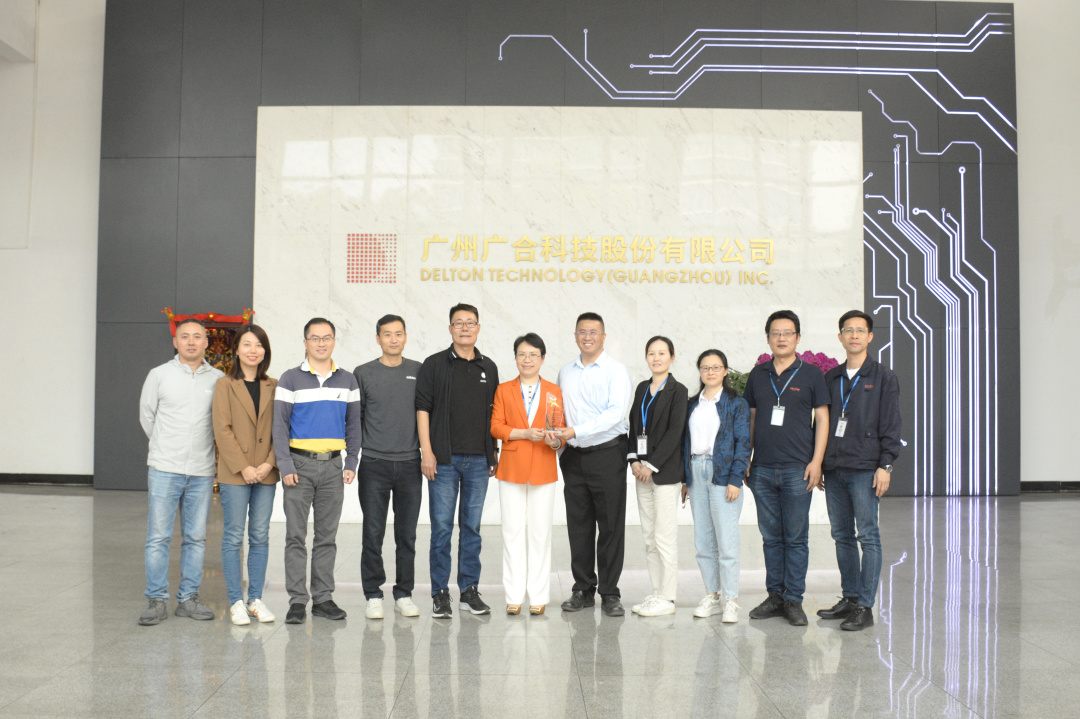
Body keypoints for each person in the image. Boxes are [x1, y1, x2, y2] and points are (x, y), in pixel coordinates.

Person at [743, 310, 830, 626]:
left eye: (788, 333)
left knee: (795, 538)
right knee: (771, 538)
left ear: (798, 338)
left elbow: (823, 419)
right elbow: (752, 418)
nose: (782, 338)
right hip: (762, 470)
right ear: (768, 338)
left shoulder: (811, 375)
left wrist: (817, 462)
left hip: (798, 469)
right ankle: (775, 596)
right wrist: (746, 457)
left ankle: (793, 599)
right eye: (776, 333)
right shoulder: (758, 374)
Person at [273, 317, 361, 624]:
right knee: (295, 536)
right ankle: (297, 600)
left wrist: (351, 462)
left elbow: (354, 425)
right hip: (298, 466)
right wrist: (285, 464)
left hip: (334, 467)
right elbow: (279, 426)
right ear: (305, 342)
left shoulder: (348, 380)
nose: (321, 343)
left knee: (326, 537)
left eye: (326, 338)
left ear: (334, 341)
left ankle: (323, 598)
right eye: (315, 338)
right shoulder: (289, 379)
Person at [818, 310, 902, 631]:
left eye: (860, 330)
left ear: (870, 337)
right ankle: (850, 598)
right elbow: (822, 424)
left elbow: (891, 425)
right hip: (834, 468)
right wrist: (820, 462)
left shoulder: (883, 377)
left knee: (868, 536)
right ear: (840, 336)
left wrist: (885, 465)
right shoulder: (831, 378)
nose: (854, 335)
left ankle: (865, 606)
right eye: (848, 330)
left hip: (866, 468)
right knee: (841, 536)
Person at [137, 319, 224, 626]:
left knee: (196, 538)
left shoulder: (218, 379)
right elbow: (147, 417)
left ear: (206, 343)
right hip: (164, 469)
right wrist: (165, 447)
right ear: (175, 342)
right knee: (158, 537)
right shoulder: (159, 375)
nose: (190, 342)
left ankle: (188, 598)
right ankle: (156, 599)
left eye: (197, 337)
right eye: (184, 336)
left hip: (201, 471)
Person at [416, 303, 500, 618]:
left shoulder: (488, 367)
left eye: (470, 322)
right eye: (459, 323)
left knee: (471, 528)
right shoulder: (434, 364)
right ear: (450, 328)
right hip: (443, 460)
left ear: (478, 328)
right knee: (441, 528)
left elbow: (494, 414)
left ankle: (469, 591)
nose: (465, 328)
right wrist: (427, 451)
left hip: (478, 460)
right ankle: (440, 593)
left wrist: (493, 452)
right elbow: (422, 409)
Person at [555, 312, 634, 617]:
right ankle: (583, 588)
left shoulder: (616, 370)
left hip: (607, 454)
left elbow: (615, 413)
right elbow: (560, 413)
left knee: (610, 525)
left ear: (603, 337)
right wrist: (561, 441)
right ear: (575, 336)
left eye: (593, 332)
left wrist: (576, 430)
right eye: (582, 331)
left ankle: (610, 592)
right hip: (573, 457)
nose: (587, 337)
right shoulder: (566, 372)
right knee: (579, 525)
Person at [353, 314, 423, 620]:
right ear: (378, 338)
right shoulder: (363, 373)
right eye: (387, 334)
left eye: (398, 333)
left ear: (405, 337)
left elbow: (426, 413)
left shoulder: (418, 371)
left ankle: (404, 593)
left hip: (410, 463)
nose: (393, 339)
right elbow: (356, 418)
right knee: (373, 532)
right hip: (374, 463)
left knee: (407, 535)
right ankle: (373, 594)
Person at [490, 333, 564, 616]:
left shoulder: (554, 391)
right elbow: (496, 426)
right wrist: (523, 433)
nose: (527, 360)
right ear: (515, 358)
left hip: (543, 466)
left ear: (542, 359)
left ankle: (539, 595)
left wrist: (554, 442)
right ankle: (513, 595)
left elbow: (560, 431)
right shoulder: (504, 389)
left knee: (540, 533)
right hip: (512, 468)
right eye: (522, 354)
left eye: (533, 355)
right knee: (512, 532)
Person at [212, 325, 279, 626]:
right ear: (237, 349)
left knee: (260, 535)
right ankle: (235, 602)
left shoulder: (275, 385)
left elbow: (283, 428)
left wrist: (268, 463)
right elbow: (221, 429)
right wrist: (244, 466)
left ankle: (255, 599)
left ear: (265, 351)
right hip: (235, 473)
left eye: (259, 345)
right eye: (247, 344)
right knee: (233, 536)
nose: (254, 350)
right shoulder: (224, 385)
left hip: (266, 472)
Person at [682, 349, 750, 623]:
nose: (710, 372)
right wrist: (685, 478)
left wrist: (735, 479)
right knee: (703, 541)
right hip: (696, 471)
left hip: (722, 473)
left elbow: (743, 443)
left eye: (716, 367)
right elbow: (684, 442)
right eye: (705, 368)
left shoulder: (736, 404)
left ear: (725, 371)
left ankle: (730, 599)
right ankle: (712, 595)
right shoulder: (692, 404)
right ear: (700, 371)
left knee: (727, 542)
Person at [626, 336, 688, 617]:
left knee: (664, 537)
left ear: (672, 358)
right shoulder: (642, 387)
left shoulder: (678, 390)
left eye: (662, 353)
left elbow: (675, 433)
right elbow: (633, 425)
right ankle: (656, 592)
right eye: (651, 353)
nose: (656, 358)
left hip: (664, 473)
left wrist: (651, 465)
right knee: (649, 537)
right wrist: (634, 461)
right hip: (641, 473)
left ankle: (668, 597)